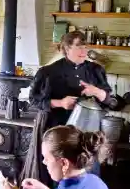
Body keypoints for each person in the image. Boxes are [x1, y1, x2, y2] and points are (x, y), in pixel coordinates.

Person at [29, 30, 112, 178]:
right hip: (59, 133)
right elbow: (34, 100)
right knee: (60, 174)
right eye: (79, 47)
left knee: (88, 174)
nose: (84, 51)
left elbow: (110, 101)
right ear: (67, 49)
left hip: (88, 134)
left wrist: (97, 92)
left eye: (85, 47)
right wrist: (60, 103)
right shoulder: (48, 72)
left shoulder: (96, 71)